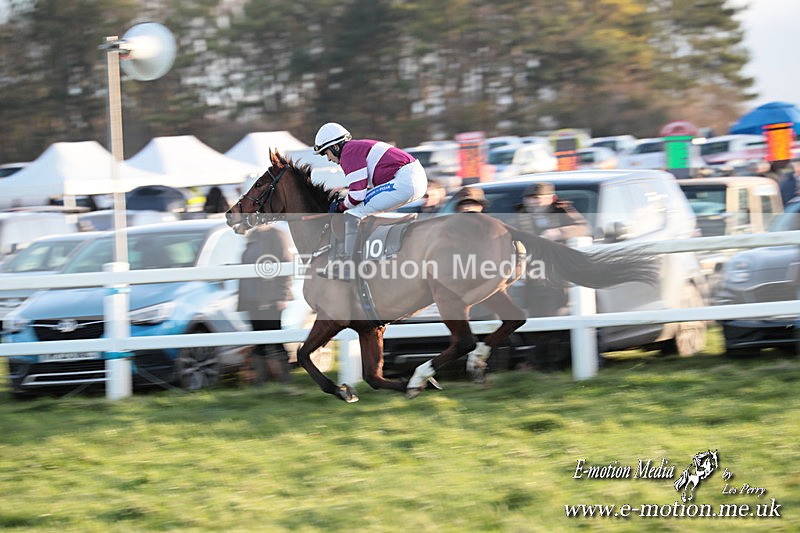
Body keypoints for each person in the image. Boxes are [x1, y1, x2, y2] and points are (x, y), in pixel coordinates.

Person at [313, 122, 428, 280]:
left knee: (352, 213)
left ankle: (349, 266)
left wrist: (339, 207)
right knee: (360, 209)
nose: (328, 159)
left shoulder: (348, 153)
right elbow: (359, 192)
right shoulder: (355, 148)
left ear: (336, 147)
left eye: (326, 153)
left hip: (406, 181)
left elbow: (357, 195)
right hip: (412, 178)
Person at [516, 182, 591, 370]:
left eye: (538, 199)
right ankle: (542, 363)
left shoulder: (562, 210)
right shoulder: (520, 217)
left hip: (557, 276)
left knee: (554, 319)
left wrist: (557, 233)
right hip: (532, 278)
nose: (533, 203)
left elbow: (583, 228)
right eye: (530, 199)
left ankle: (550, 364)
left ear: (551, 198)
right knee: (536, 321)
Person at [238, 225, 294, 385]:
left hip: (270, 298)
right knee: (258, 341)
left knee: (275, 339)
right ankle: (260, 384)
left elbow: (285, 263)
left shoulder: (276, 235)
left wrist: (281, 295)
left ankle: (285, 381)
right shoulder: (252, 236)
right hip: (251, 299)